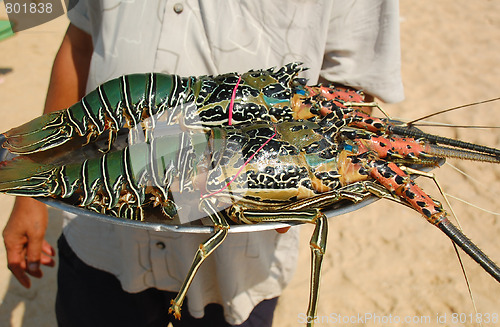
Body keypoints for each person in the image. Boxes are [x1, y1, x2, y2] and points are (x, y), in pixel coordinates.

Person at [2, 1, 404, 326]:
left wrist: (296, 181)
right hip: (101, 235)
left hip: (234, 270)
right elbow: (80, 35)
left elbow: (352, 87)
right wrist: (30, 196)